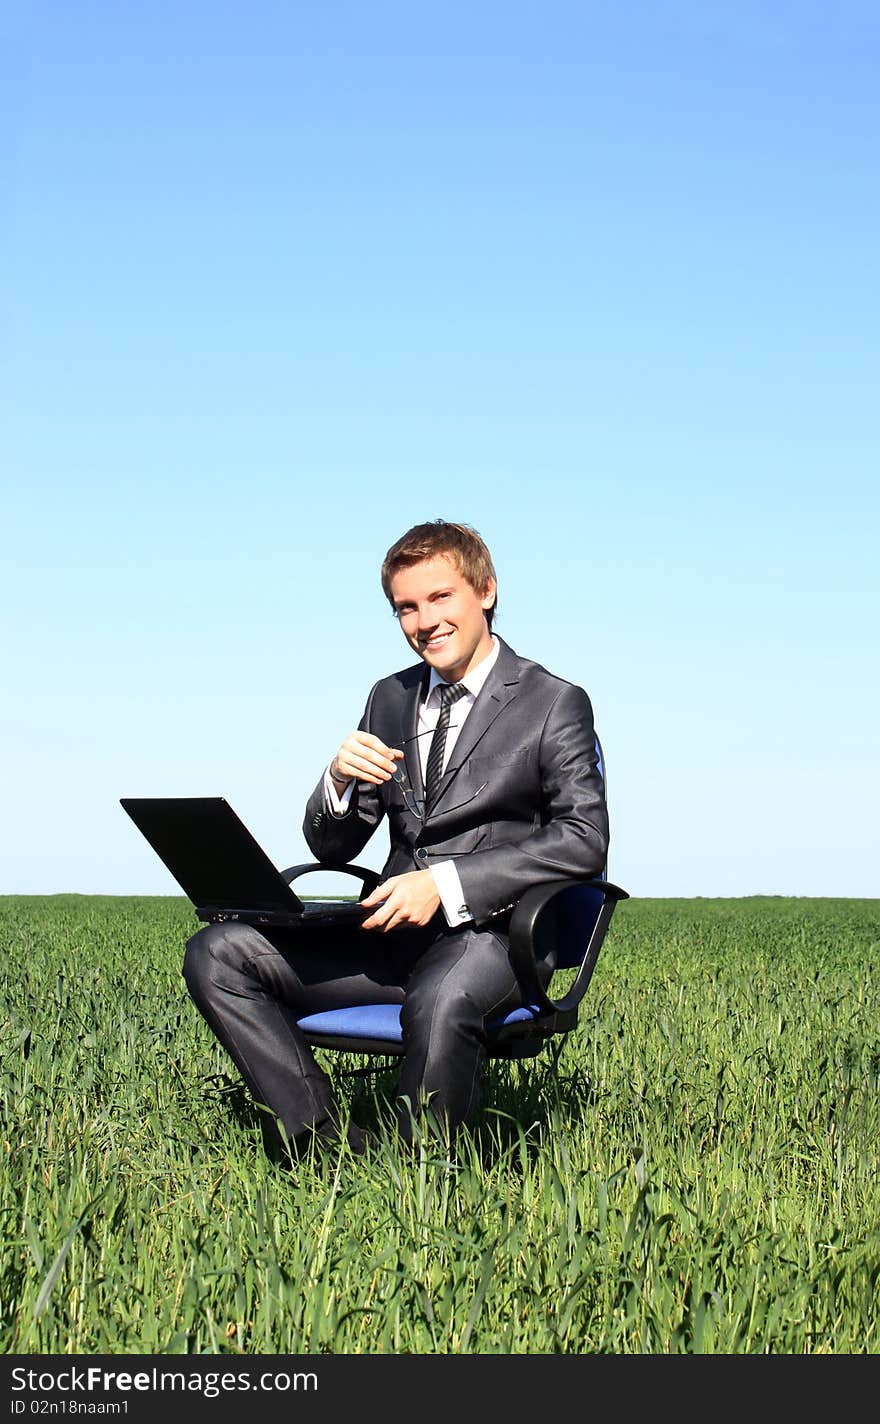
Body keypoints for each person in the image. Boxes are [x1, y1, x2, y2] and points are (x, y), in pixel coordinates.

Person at [183, 519, 609, 1158]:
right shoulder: (389, 697)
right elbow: (333, 847)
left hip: (493, 939)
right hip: (388, 941)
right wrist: (338, 781)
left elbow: (583, 840)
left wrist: (445, 885)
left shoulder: (554, 702)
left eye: (441, 598)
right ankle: (321, 1147)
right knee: (219, 952)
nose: (424, 621)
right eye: (406, 607)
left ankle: (418, 1179)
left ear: (486, 591)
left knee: (443, 996)